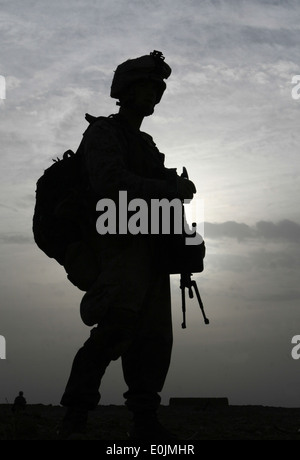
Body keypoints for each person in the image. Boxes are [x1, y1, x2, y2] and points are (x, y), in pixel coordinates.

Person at [59, 50, 196, 440]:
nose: (152, 97)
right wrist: (169, 188)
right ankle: (76, 415)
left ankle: (144, 419)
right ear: (125, 91)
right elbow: (110, 184)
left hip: (151, 251)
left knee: (154, 340)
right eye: (145, 89)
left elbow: (159, 199)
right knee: (114, 330)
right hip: (117, 245)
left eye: (157, 91)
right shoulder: (103, 133)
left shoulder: (147, 143)